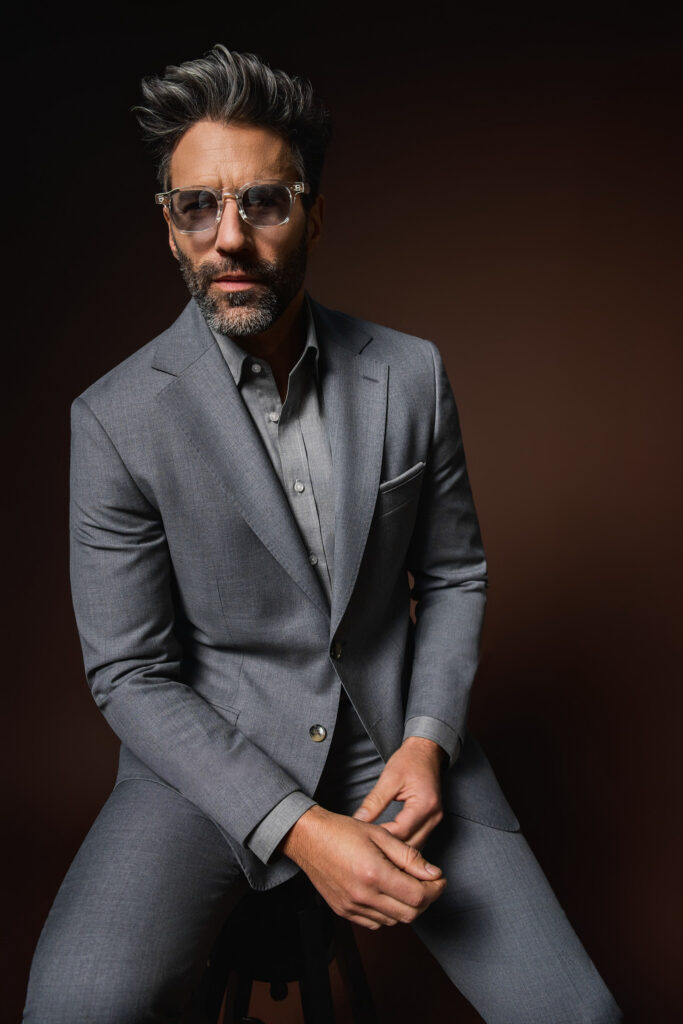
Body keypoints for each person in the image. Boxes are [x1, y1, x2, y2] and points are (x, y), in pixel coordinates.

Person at [23, 45, 622, 1023]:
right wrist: (298, 827)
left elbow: (454, 574)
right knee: (73, 1007)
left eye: (262, 202)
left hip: (397, 744)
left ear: (312, 211)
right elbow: (129, 674)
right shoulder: (114, 418)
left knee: (577, 1013)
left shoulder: (410, 375)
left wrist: (427, 741)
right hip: (204, 764)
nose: (229, 238)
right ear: (169, 228)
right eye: (197, 208)